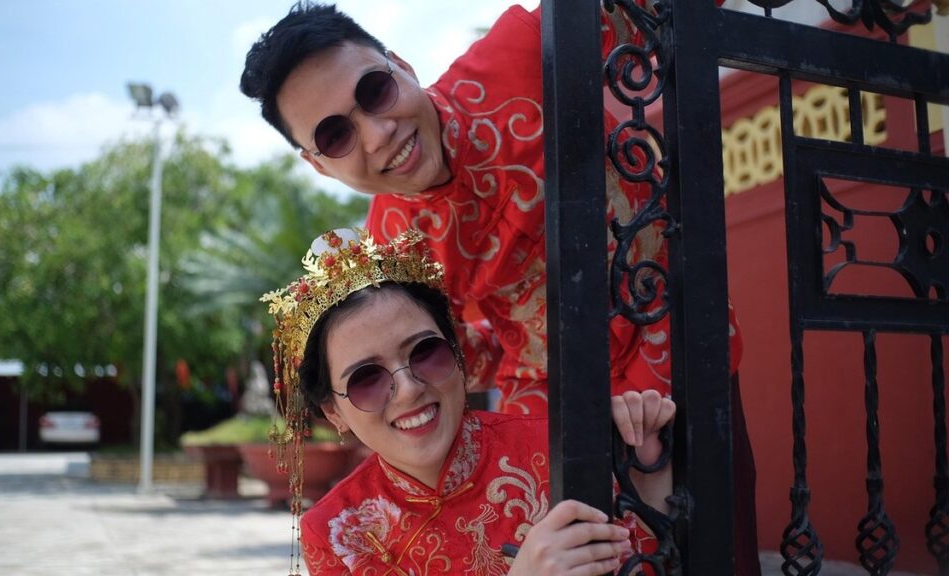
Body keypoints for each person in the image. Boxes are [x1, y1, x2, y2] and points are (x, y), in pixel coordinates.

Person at [241, 4, 759, 574]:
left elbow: (667, 15)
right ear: (318, 166)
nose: (379, 132)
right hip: (549, 412)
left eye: (375, 91)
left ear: (402, 67)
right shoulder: (393, 246)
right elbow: (451, 360)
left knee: (718, 548)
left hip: (679, 344)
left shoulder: (526, 47)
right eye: (336, 135)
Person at [264, 227, 677, 575]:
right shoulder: (334, 533)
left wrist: (649, 474)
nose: (408, 390)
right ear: (335, 412)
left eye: (425, 352)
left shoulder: (560, 448)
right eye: (367, 379)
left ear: (458, 356)